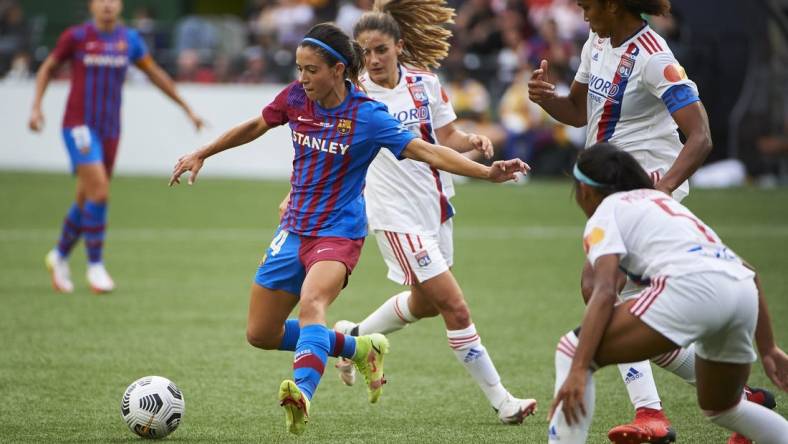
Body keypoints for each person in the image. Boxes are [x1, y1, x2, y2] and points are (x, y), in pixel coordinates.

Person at [169, 23, 529, 435]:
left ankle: (301, 394)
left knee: (312, 305)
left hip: (339, 232)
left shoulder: (368, 115)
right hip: (294, 228)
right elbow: (256, 125)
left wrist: (486, 173)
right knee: (260, 333)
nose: (302, 78)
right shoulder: (294, 98)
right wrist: (203, 152)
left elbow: (426, 150)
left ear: (338, 70)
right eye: (299, 68)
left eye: (311, 70)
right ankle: (360, 347)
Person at [313, 0, 537, 424]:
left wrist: (471, 140)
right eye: (365, 52)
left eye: (381, 49)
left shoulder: (424, 84)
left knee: (426, 303)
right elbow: (331, 149)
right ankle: (503, 402)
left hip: (435, 207)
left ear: (399, 46)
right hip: (393, 216)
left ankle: (349, 338)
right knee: (455, 308)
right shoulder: (354, 95)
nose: (374, 59)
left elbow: (443, 137)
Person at [528, 0, 721, 440]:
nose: (581, 10)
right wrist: (547, 100)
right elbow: (579, 112)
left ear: (613, 4)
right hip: (610, 187)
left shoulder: (655, 57)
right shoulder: (596, 41)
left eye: (588, 3)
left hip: (643, 186)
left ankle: (652, 412)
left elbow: (701, 136)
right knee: (622, 305)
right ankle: (733, 395)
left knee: (601, 289)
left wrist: (663, 189)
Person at [547, 143, 788, 443]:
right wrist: (768, 348)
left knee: (571, 351)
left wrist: (579, 368)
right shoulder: (664, 204)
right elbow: (747, 270)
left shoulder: (605, 211)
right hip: (741, 293)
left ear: (585, 190)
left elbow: (605, 290)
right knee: (723, 407)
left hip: (691, 287)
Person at [29, 0, 203, 294]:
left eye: (113, 0)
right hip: (78, 126)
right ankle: (95, 266)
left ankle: (58, 256)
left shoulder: (129, 40)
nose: (108, 5)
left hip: (110, 130)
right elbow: (48, 67)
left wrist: (186, 108)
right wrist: (36, 107)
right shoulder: (77, 36)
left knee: (87, 198)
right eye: (102, 0)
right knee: (99, 190)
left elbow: (155, 74)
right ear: (91, 5)